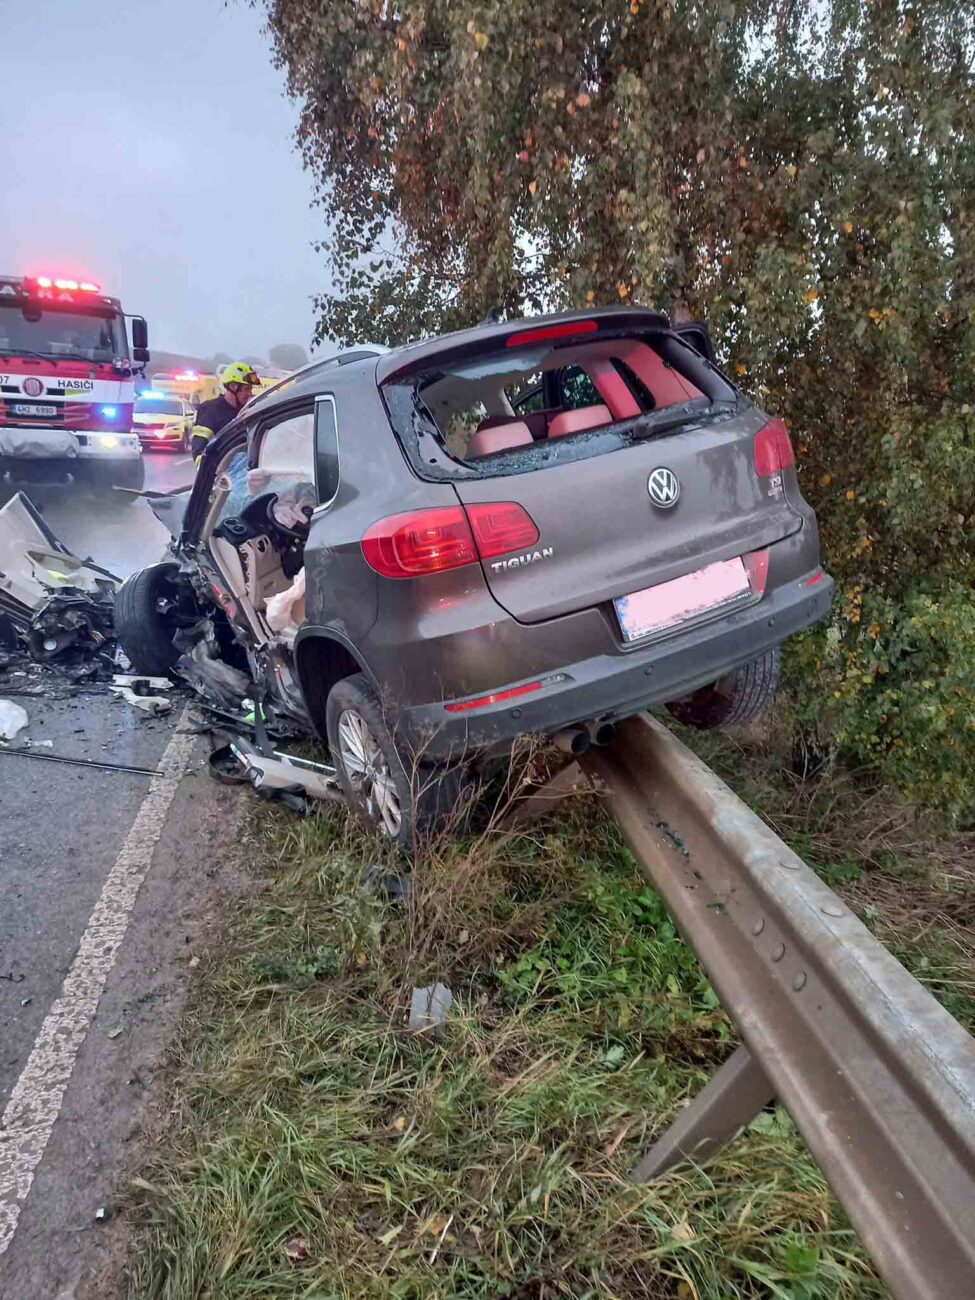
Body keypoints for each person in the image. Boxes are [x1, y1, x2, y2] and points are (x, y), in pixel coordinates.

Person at [190, 361, 260, 462]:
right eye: (246, 389)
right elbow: (199, 451)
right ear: (233, 387)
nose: (249, 393)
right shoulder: (210, 410)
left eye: (250, 389)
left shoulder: (246, 412)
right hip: (220, 474)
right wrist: (211, 474)